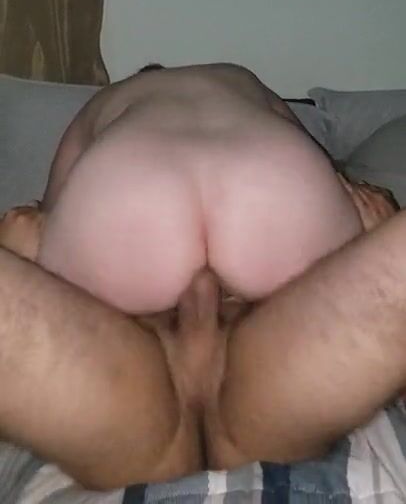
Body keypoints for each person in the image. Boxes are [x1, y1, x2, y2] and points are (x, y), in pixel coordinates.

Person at [0, 63, 400, 490]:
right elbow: (310, 155)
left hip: (131, 332)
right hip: (270, 335)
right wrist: (371, 230)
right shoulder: (240, 78)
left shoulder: (108, 100)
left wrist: (27, 251)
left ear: (141, 74)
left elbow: (53, 208)